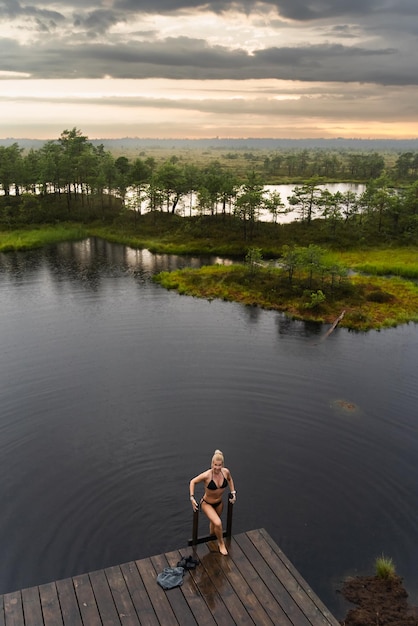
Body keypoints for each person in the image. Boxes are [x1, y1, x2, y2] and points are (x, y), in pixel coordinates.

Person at [189, 449, 236, 555]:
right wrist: (192, 498)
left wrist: (233, 492)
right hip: (207, 503)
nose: (217, 468)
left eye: (219, 465)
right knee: (218, 523)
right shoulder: (207, 475)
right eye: (215, 465)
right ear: (212, 464)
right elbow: (193, 482)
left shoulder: (225, 472)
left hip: (219, 503)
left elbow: (230, 479)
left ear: (222, 465)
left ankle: (212, 540)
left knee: (214, 526)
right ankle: (221, 544)